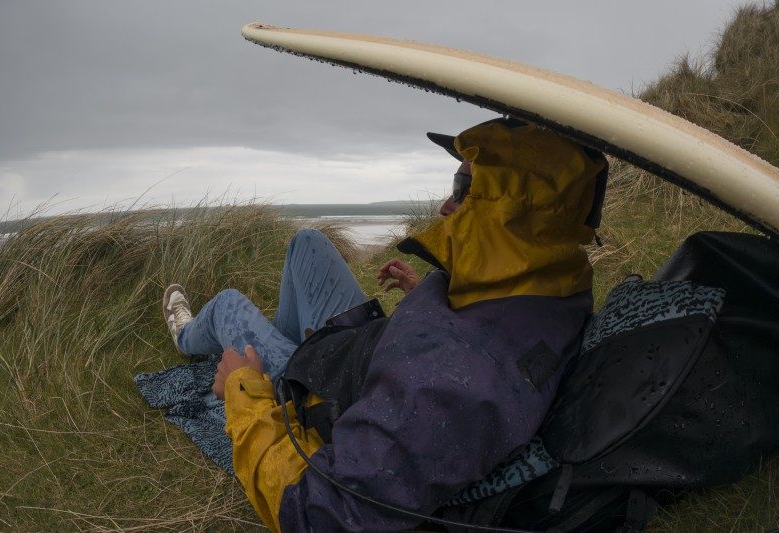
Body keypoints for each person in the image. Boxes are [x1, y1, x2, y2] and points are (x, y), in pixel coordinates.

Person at [162, 118, 608, 532]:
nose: (445, 205)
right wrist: (426, 295)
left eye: (464, 186)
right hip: (360, 349)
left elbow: (321, 514)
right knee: (308, 243)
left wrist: (245, 392)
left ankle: (188, 336)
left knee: (225, 307)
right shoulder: (551, 287)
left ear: (511, 209)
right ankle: (279, 348)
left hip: (331, 393)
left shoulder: (445, 388)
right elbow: (479, 337)